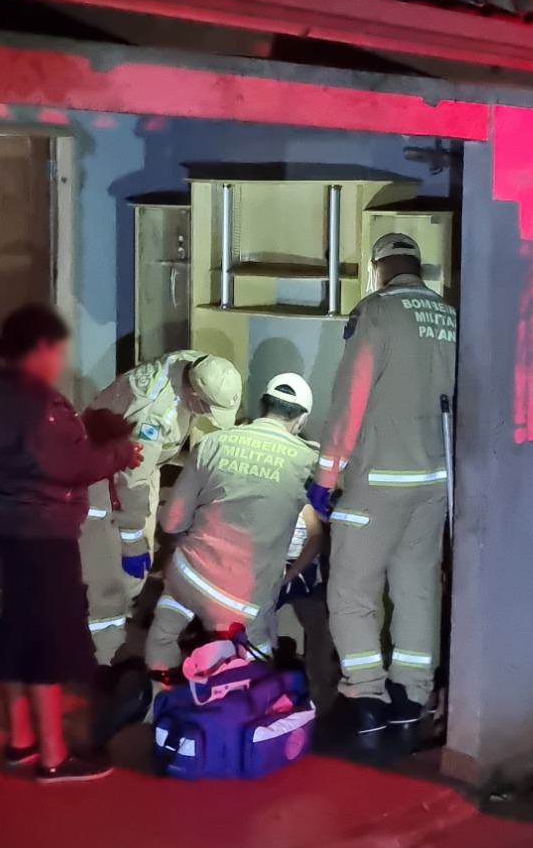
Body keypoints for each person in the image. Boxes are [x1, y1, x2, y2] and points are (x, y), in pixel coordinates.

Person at [0, 303, 145, 783]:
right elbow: (68, 466)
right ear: (40, 350)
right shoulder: (37, 403)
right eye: (56, 350)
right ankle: (53, 756)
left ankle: (20, 741)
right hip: (45, 535)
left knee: (17, 632)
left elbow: (41, 456)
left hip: (12, 527)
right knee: (46, 641)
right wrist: (119, 452)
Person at [311, 233, 457, 749]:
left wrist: (325, 477)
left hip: (378, 480)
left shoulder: (376, 311)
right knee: (417, 589)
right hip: (435, 480)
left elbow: (349, 399)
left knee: (351, 592)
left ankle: (365, 702)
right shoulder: (451, 316)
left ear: (378, 268)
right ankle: (410, 702)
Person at [146, 373, 323, 677]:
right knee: (257, 662)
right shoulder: (307, 460)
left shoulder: (213, 442)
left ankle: (159, 705)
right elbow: (316, 537)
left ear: (261, 405)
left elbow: (171, 521)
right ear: (302, 419)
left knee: (164, 632)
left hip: (189, 578)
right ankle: (239, 708)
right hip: (241, 602)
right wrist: (284, 578)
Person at [79, 350, 243, 661]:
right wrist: (131, 540)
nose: (206, 415)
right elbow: (132, 480)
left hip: (137, 465)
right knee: (111, 571)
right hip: (102, 472)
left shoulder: (200, 366)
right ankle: (102, 654)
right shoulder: (154, 413)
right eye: (206, 408)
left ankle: (114, 627)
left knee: (133, 569)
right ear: (193, 393)